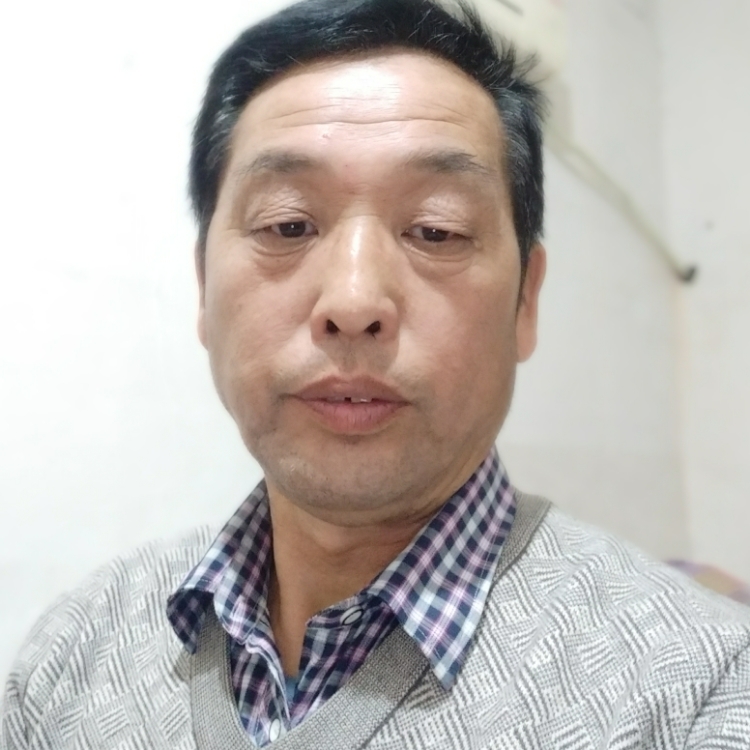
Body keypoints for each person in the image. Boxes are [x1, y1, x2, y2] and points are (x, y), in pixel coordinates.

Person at [3, 0, 749, 747]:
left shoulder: (703, 692)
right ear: (204, 288)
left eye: (436, 231)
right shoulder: (74, 655)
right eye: (288, 225)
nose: (354, 301)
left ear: (526, 300)